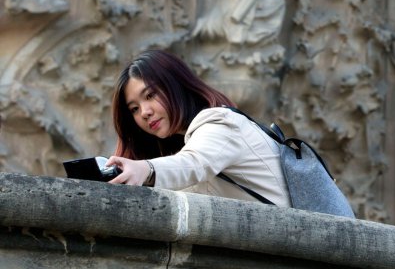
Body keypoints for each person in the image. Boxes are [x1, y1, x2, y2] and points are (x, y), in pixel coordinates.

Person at [105, 50, 290, 207]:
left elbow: (194, 163)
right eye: (134, 109)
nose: (144, 112)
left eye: (150, 95)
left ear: (176, 86)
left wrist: (146, 169)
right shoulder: (192, 141)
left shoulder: (221, 123)